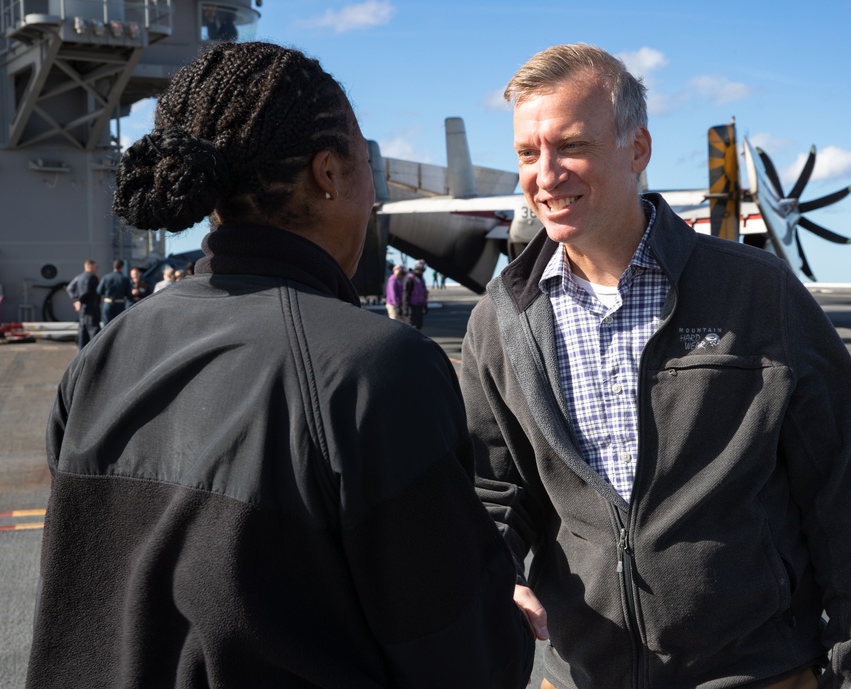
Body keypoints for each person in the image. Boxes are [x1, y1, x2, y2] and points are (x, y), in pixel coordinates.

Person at [27, 41, 532, 689]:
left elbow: (86, 588)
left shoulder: (101, 357)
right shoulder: (375, 369)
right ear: (329, 173)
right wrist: (504, 610)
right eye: (365, 161)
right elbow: (459, 656)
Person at [459, 43, 851, 689]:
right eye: (528, 153)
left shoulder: (757, 294)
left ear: (636, 149)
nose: (545, 175)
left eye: (571, 146)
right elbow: (491, 490)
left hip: (755, 675)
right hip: (579, 675)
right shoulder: (501, 318)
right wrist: (489, 568)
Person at [64, 259, 100, 349]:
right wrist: (80, 301)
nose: (96, 269)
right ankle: (95, 350)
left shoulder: (79, 277)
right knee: (93, 330)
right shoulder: (92, 278)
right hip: (91, 307)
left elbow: (69, 288)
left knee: (83, 331)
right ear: (90, 266)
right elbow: (87, 291)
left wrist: (76, 300)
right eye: (96, 266)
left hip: (83, 309)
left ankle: (81, 351)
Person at [96, 258, 131, 325]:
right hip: (119, 304)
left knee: (106, 326)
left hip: (107, 304)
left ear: (113, 266)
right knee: (119, 325)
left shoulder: (106, 277)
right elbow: (129, 294)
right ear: (122, 267)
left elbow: (99, 291)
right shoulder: (125, 279)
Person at [402, 259, 429, 329]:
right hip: (412, 307)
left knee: (418, 325)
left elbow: (424, 293)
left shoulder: (421, 279)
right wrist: (405, 307)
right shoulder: (410, 278)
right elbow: (406, 294)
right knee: (411, 326)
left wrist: (425, 305)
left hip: (419, 307)